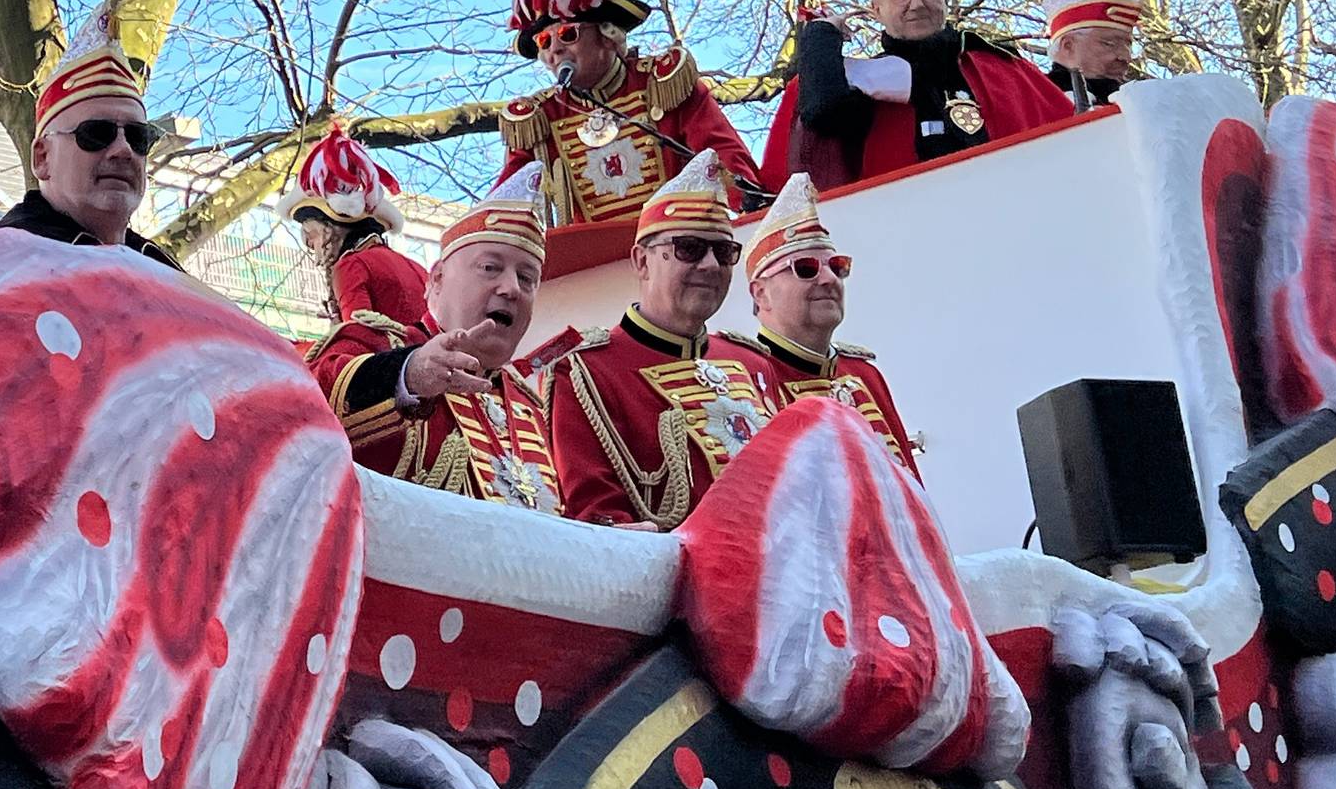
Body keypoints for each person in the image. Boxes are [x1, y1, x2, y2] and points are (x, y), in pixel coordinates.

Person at [535, 149, 778, 529]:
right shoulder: (584, 370)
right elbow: (595, 513)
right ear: (642, 261)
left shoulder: (754, 363)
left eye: (724, 251)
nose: (711, 265)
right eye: (689, 249)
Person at [310, 165, 559, 511]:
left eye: (527, 278)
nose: (512, 289)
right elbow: (306, 404)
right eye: (490, 268)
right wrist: (407, 373)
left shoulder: (531, 404)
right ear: (437, 278)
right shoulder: (380, 344)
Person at [763, 0, 1076, 188]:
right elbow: (823, 112)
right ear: (876, 9)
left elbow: (1075, 139)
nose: (917, 3)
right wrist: (821, 37)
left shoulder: (1003, 68)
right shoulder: (864, 80)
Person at [496, 0, 760, 224]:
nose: (554, 48)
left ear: (608, 34)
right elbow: (505, 206)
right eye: (543, 41)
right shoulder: (538, 118)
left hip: (680, 247)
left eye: (568, 33)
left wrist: (747, 204)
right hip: (593, 266)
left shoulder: (662, 83)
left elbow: (725, 160)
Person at [743, 174, 922, 477]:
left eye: (838, 267)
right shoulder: (747, 377)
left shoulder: (864, 374)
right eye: (806, 268)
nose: (829, 279)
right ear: (761, 293)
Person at [0, 11, 181, 268]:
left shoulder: (166, 273)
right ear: (42, 157)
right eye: (97, 133)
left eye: (139, 137)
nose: (124, 150)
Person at [280, 119, 426, 329]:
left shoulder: (351, 266)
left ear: (331, 230)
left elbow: (360, 342)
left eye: (311, 235)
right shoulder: (417, 268)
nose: (311, 245)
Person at [1043, 0, 1148, 110]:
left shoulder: (1140, 105)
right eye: (1109, 43)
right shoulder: (1034, 97)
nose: (1125, 57)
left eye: (1128, 46)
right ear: (1068, 46)